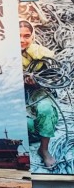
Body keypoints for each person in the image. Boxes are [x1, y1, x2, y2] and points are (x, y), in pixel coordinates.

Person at [19, 20, 58, 168]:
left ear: (32, 36)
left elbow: (53, 76)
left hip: (39, 92)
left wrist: (37, 82)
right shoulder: (7, 54)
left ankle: (44, 149)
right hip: (19, 95)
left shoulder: (42, 53)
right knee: (26, 123)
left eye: (26, 36)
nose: (22, 40)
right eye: (18, 36)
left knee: (46, 109)